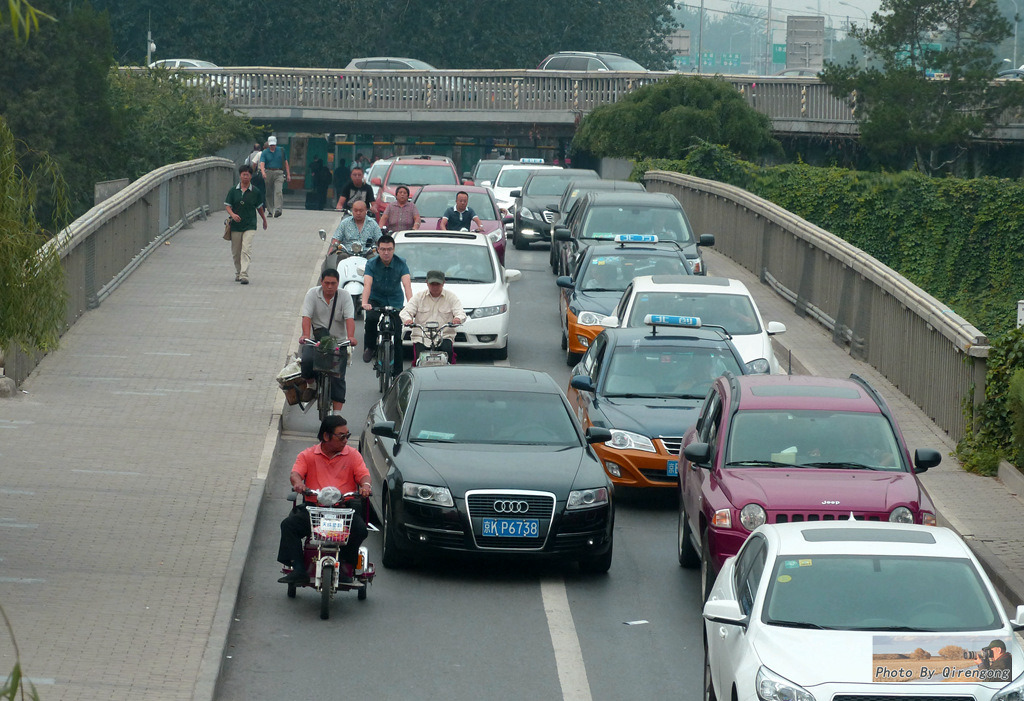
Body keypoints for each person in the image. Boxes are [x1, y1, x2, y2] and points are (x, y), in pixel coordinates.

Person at [277, 416, 371, 585]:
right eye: (341, 436)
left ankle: (345, 564)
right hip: (314, 510)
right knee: (288, 525)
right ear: (326, 436)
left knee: (360, 529)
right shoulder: (307, 455)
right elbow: (295, 474)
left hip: (343, 511)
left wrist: (365, 486)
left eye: (347, 435)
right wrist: (298, 484)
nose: (345, 440)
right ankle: (298, 569)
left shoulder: (353, 455)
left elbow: (363, 475)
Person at [300, 268, 358, 414]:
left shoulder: (345, 296)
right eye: (327, 283)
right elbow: (306, 317)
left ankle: (337, 415)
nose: (330, 286)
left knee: (338, 378)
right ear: (321, 282)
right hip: (316, 341)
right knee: (306, 361)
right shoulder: (312, 294)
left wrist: (350, 337)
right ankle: (311, 385)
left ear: (338, 283)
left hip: (338, 343)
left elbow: (349, 319)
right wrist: (305, 335)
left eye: (333, 283)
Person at [361, 234, 413, 372]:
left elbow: (407, 285)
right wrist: (365, 302)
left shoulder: (401, 263)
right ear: (378, 250)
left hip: (395, 300)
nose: (386, 252)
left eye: (389, 249)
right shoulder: (371, 264)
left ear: (394, 249)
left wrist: (411, 305)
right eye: (383, 249)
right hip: (375, 299)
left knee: (397, 336)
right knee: (371, 319)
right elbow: (367, 284)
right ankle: (370, 347)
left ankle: (398, 375)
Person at [400, 270, 466, 360]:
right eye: (432, 284)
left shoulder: (451, 297)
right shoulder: (419, 297)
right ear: (427, 283)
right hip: (422, 336)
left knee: (448, 352)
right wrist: (408, 320)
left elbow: (460, 312)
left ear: (443, 283)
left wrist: (457, 319)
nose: (435, 287)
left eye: (437, 284)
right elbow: (406, 312)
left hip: (444, 335)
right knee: (419, 357)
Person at [224, 164, 268, 285]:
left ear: (251, 176)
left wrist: (264, 219)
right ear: (240, 176)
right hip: (236, 226)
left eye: (248, 175)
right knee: (236, 251)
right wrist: (232, 215)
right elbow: (227, 205)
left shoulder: (255, 191)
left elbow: (259, 207)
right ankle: (238, 272)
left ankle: (244, 274)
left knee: (246, 249)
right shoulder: (234, 191)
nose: (245, 177)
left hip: (250, 224)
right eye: (243, 175)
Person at [259, 135, 291, 218]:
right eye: (271, 145)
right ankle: (270, 210)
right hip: (268, 171)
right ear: (268, 144)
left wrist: (288, 174)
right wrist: (263, 172)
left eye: (274, 145)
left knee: (278, 191)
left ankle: (278, 210)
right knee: (269, 192)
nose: (272, 146)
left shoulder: (281, 150)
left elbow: (286, 162)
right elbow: (262, 163)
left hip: (279, 172)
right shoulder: (265, 152)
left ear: (276, 144)